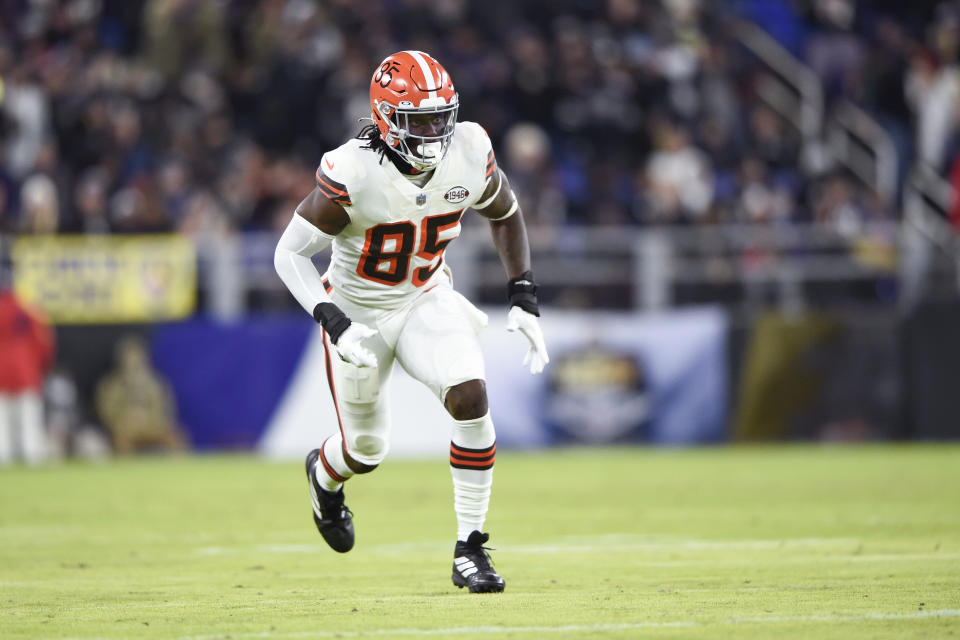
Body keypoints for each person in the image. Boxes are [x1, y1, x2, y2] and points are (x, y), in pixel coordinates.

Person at [273, 50, 549, 593]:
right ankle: (324, 477)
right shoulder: (351, 171)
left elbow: (505, 211)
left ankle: (471, 548)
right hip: (357, 310)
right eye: (418, 120)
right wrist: (333, 319)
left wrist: (523, 293)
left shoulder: (469, 149)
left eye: (439, 117)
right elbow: (289, 255)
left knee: (470, 396)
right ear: (385, 118)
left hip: (425, 296)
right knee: (366, 450)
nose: (433, 132)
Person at [0, 254, 55, 464]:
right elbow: (45, 342)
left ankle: (3, 456)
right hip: (25, 370)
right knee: (29, 417)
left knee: (2, 419)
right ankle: (32, 455)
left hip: (2, 371)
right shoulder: (29, 309)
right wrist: (43, 363)